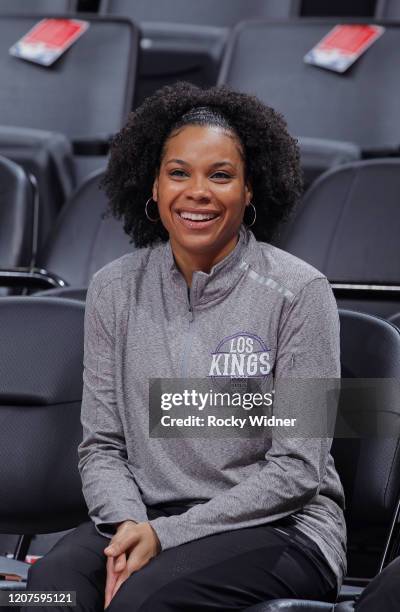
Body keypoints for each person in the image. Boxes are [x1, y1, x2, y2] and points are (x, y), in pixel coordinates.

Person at [26, 82, 346, 611]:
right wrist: (130, 526)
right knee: (48, 595)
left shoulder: (302, 293)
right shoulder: (113, 287)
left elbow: (297, 471)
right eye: (179, 173)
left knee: (143, 601)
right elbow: (102, 445)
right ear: (152, 185)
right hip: (146, 516)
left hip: (285, 530)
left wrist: (166, 536)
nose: (197, 191)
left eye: (220, 175)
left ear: (250, 190)